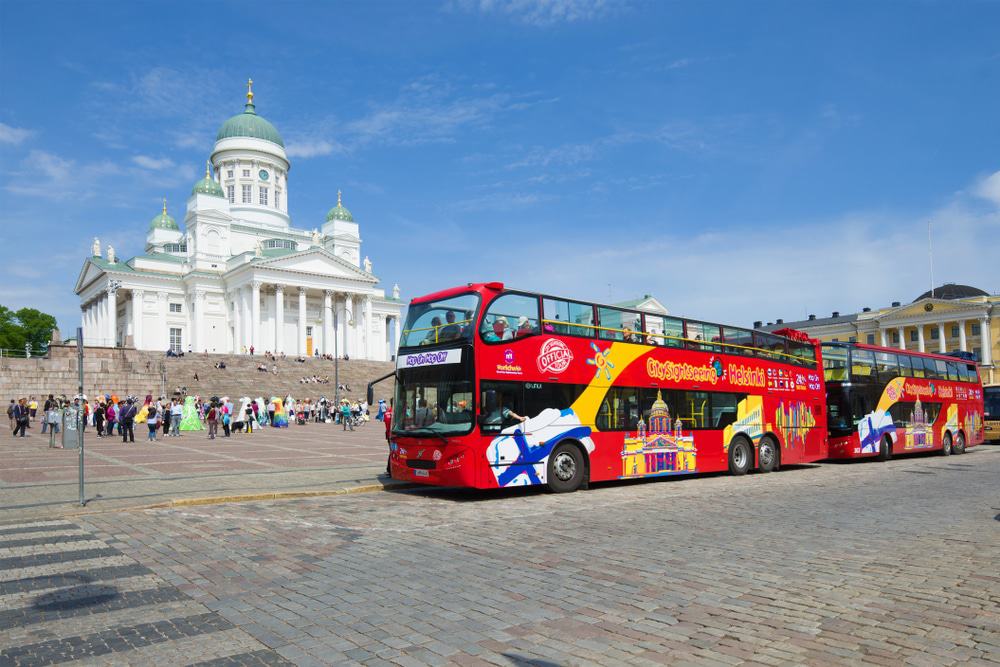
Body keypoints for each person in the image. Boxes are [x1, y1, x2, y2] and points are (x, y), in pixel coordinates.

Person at [383, 399, 394, 475]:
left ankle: (389, 469)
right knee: (393, 452)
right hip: (394, 435)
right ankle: (390, 469)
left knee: (391, 451)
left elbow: (385, 422)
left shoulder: (387, 412)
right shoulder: (395, 412)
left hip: (388, 434)